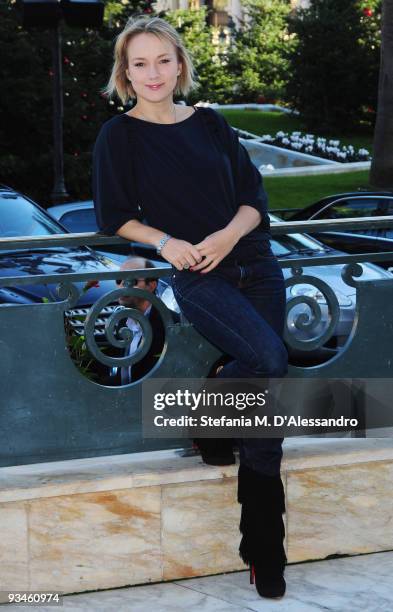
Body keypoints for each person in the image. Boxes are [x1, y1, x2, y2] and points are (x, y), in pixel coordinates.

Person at [92, 15, 288, 599]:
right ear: (126, 74)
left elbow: (254, 200)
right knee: (268, 362)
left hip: (255, 263)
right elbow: (113, 216)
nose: (152, 73)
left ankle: (262, 551)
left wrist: (226, 237)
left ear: (180, 64)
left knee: (264, 403)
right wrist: (166, 243)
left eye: (162, 60)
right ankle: (211, 418)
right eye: (139, 63)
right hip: (196, 274)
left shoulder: (211, 123)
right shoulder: (118, 136)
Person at [115, 256, 165, 383]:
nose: (122, 286)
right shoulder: (122, 321)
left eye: (132, 281)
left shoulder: (168, 325)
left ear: (151, 285)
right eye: (119, 280)